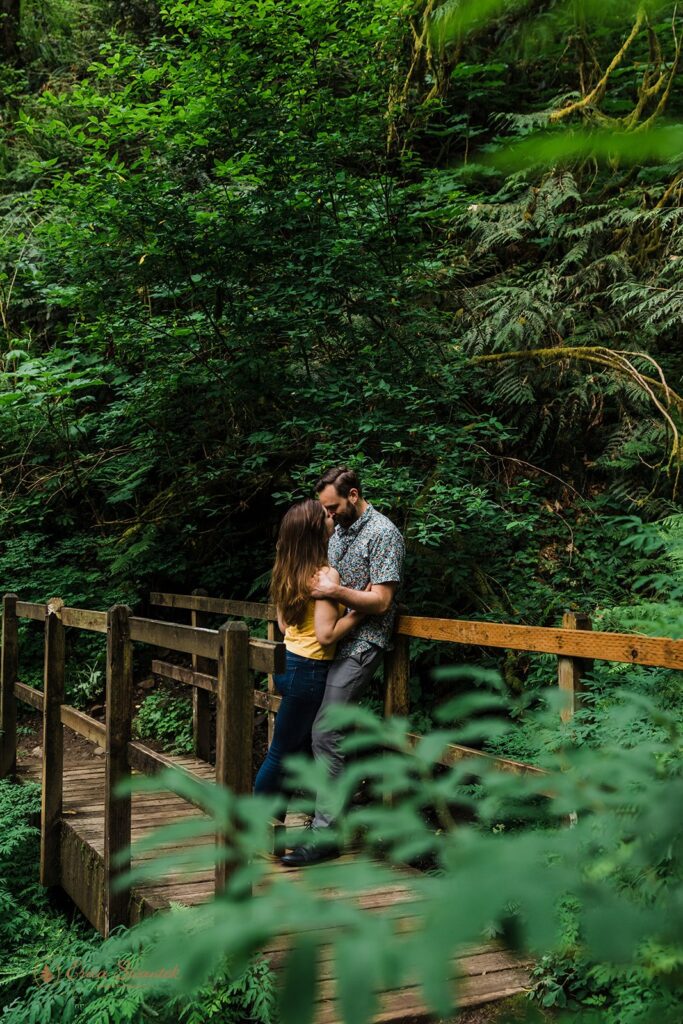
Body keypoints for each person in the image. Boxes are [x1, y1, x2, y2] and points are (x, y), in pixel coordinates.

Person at [281, 467, 405, 867]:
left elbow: (383, 601)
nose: (328, 515)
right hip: (328, 643)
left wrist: (337, 593)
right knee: (312, 731)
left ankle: (326, 836)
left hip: (362, 643)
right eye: (324, 509)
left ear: (353, 495)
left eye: (333, 507)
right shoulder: (339, 531)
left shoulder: (384, 533)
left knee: (326, 730)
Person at [254, 499, 364, 821]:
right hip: (310, 671)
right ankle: (255, 825)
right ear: (316, 531)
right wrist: (357, 615)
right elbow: (326, 635)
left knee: (294, 750)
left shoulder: (288, 569)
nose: (332, 517)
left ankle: (274, 822)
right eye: (326, 516)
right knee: (280, 754)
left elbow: (285, 625)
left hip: (288, 665)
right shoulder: (325, 575)